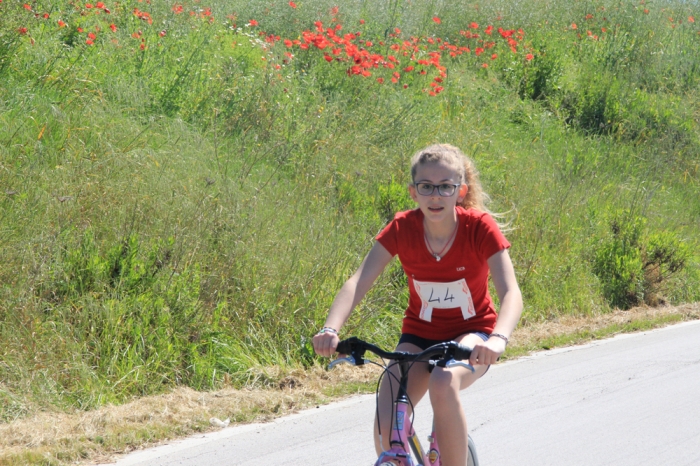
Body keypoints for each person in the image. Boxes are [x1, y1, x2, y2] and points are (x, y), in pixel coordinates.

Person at [313, 143, 523, 466]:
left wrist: (498, 338)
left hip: (473, 337)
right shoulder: (402, 228)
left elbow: (511, 294)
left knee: (444, 381)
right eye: (426, 187)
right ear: (413, 192)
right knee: (388, 420)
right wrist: (331, 328)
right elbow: (358, 281)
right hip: (418, 338)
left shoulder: (479, 228)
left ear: (461, 190)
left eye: (445, 187)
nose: (435, 196)